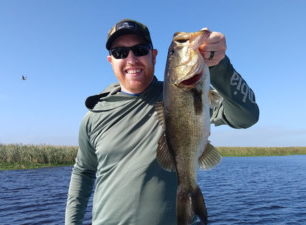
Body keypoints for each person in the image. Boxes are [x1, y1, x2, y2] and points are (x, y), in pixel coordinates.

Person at [65, 19, 259, 225]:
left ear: (154, 56)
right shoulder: (94, 115)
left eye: (140, 50)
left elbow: (246, 116)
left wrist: (219, 65)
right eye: (120, 52)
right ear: (111, 60)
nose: (131, 59)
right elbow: (83, 172)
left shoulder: (175, 96)